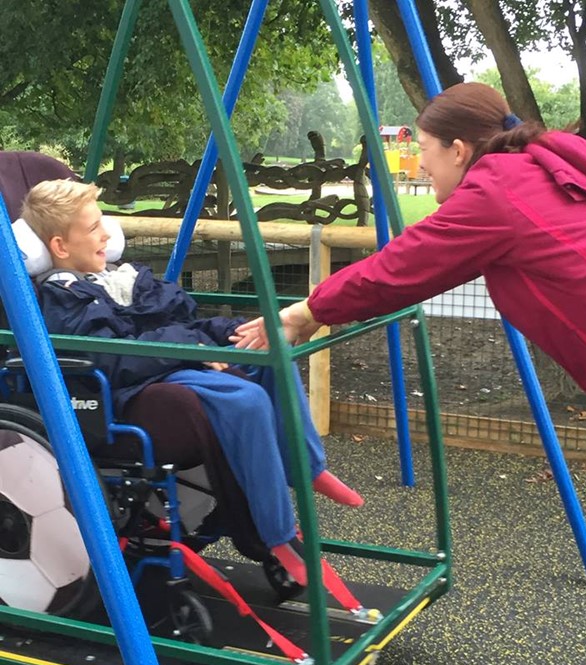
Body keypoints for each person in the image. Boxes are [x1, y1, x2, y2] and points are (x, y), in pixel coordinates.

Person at [232, 81, 586, 665]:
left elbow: (404, 266)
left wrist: (308, 311)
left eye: (425, 155)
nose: (422, 170)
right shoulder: (555, 165)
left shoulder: (496, 192)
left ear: (460, 149)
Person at [19, 178, 365, 602]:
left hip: (172, 362)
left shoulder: (123, 278)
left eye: (102, 223)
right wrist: (188, 349)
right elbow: (113, 358)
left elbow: (185, 321)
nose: (107, 234)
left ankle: (306, 467)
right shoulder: (62, 297)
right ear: (58, 246)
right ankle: (276, 537)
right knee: (245, 398)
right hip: (133, 390)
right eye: (92, 229)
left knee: (272, 352)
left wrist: (230, 333)